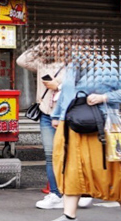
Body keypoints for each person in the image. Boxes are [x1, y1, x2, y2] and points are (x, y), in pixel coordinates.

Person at [45, 48, 121, 221]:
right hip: (72, 123)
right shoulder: (72, 66)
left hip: (104, 124)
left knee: (111, 170)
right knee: (70, 168)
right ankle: (69, 216)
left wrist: (105, 97)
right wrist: (57, 115)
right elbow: (66, 93)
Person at [16, 41, 90, 211]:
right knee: (51, 156)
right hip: (46, 114)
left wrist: (60, 87)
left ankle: (83, 192)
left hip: (69, 116)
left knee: (74, 155)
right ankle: (55, 194)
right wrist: (40, 46)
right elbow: (21, 60)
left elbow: (85, 89)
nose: (56, 48)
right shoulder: (44, 64)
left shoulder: (77, 67)